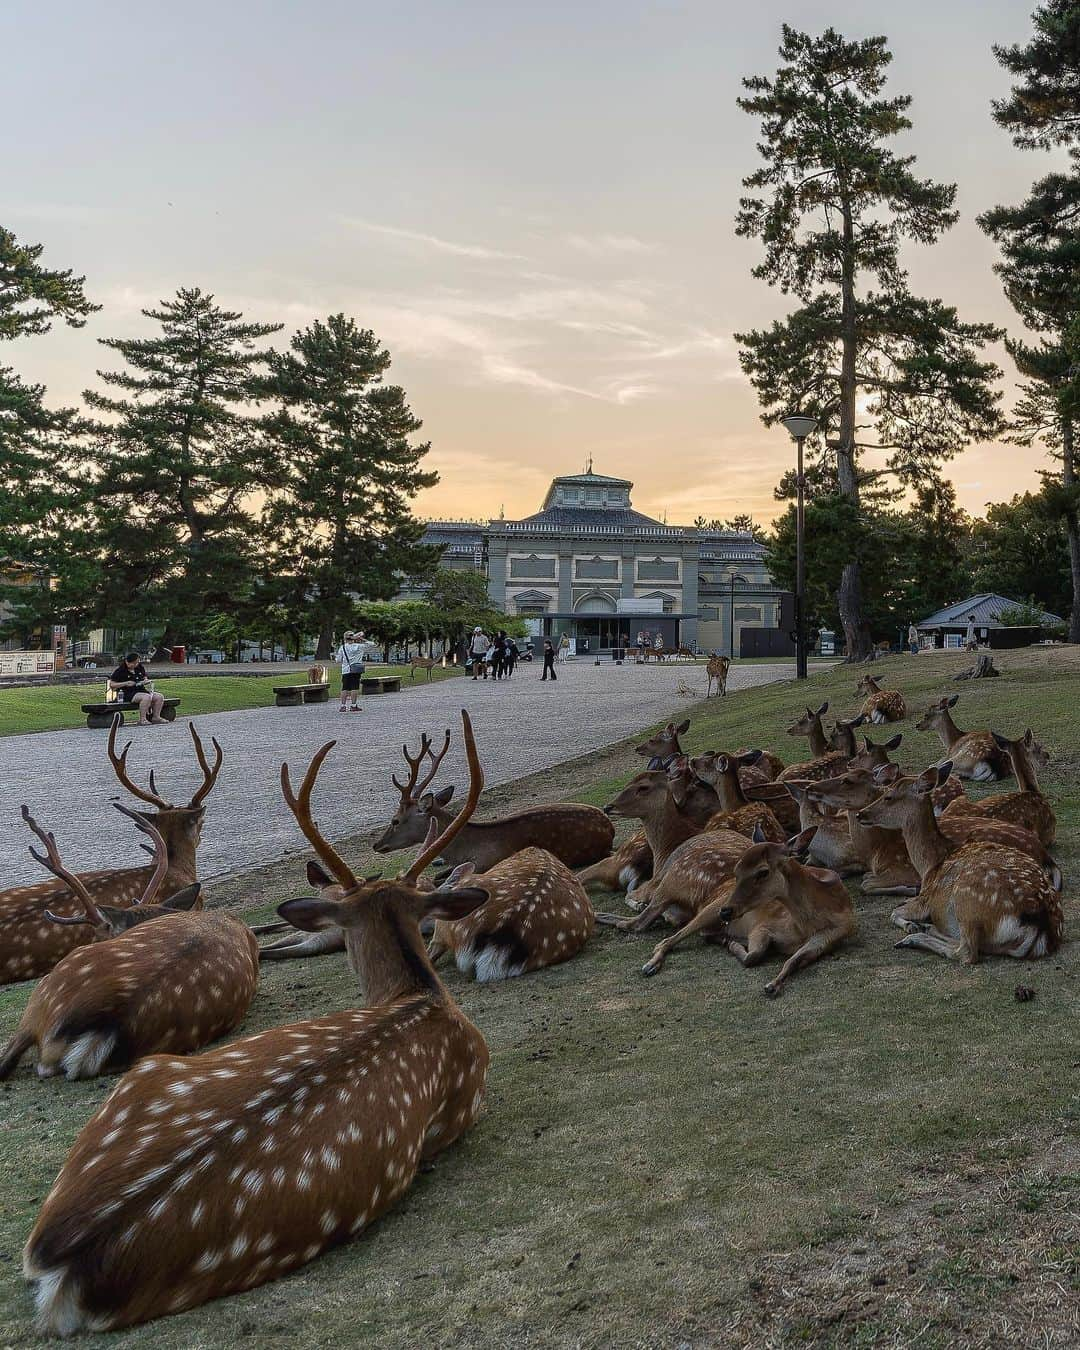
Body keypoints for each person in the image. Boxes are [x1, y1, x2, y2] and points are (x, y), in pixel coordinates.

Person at [109, 652, 165, 725]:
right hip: (127, 693)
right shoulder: (120, 671)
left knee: (159, 697)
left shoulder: (139, 668)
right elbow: (112, 685)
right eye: (133, 663)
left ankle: (156, 717)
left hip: (141, 690)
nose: (135, 665)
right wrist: (126, 683)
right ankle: (142, 719)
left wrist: (145, 681)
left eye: (137, 663)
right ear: (127, 662)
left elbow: (144, 677)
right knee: (146, 697)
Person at [335, 630, 366, 712]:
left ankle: (343, 706)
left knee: (344, 688)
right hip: (355, 670)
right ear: (353, 638)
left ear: (345, 639)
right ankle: (353, 705)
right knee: (354, 687)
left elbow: (338, 660)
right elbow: (372, 644)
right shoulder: (359, 646)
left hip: (345, 670)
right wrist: (361, 639)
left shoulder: (343, 647)